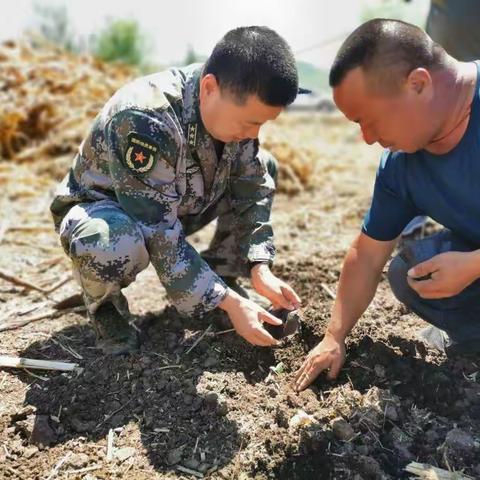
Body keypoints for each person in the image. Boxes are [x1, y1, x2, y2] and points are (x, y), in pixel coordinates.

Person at [51, 26, 301, 355]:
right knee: (109, 242)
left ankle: (225, 274)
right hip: (110, 212)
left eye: (262, 124)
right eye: (248, 122)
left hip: (173, 204)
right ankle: (107, 312)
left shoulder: (232, 110)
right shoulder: (145, 118)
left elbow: (251, 185)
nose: (252, 133)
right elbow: (157, 230)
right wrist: (228, 304)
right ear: (210, 88)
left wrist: (259, 265)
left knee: (262, 166)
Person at [295, 18, 480, 391]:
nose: (367, 139)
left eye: (369, 120)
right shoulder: (401, 166)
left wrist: (475, 265)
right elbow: (366, 255)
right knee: (410, 272)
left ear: (418, 84)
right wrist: (335, 335)